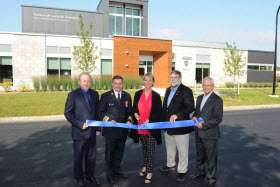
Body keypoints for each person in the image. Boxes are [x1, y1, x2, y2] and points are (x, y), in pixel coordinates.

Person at [64, 72, 101, 187]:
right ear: (79, 82)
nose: (86, 83)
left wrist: (98, 127)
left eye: (88, 81)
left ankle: (90, 176)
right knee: (79, 157)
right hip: (79, 132)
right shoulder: (73, 95)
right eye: (84, 81)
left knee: (91, 156)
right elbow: (68, 114)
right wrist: (80, 124)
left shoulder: (95, 94)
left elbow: (97, 112)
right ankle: (79, 178)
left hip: (92, 132)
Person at [98, 75, 133, 187]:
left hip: (122, 130)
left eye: (120, 83)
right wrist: (108, 119)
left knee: (120, 151)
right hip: (111, 130)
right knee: (110, 153)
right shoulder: (105, 96)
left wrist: (129, 120)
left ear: (122, 84)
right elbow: (100, 112)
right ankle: (109, 174)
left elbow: (130, 112)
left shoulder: (127, 96)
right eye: (116, 83)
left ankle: (117, 169)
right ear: (112, 84)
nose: (118, 85)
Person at [160, 70, 195, 182]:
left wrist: (177, 115)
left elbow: (190, 107)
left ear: (180, 78)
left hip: (181, 127)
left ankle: (182, 171)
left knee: (182, 150)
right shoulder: (167, 90)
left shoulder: (186, 91)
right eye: (171, 77)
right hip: (168, 126)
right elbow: (165, 107)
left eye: (176, 77)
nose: (173, 79)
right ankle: (170, 164)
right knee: (170, 148)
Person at [129, 73, 162, 184]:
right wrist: (135, 114)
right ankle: (145, 165)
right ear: (143, 81)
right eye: (146, 80)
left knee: (151, 149)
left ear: (153, 82)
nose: (148, 82)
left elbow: (158, 112)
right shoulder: (138, 94)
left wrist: (150, 120)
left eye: (150, 80)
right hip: (140, 126)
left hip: (151, 127)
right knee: (144, 149)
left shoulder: (156, 96)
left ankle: (150, 171)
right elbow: (134, 107)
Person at [189, 77, 223, 187]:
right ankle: (200, 172)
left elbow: (218, 118)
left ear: (212, 86)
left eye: (208, 85)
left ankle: (212, 178)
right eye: (204, 85)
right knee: (200, 155)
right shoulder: (199, 98)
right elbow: (196, 112)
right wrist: (194, 117)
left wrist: (203, 125)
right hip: (198, 133)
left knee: (211, 157)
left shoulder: (217, 100)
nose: (206, 87)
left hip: (210, 133)